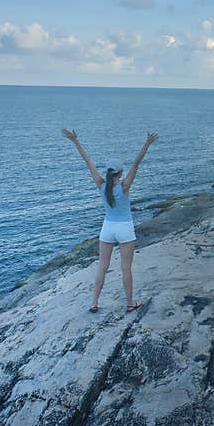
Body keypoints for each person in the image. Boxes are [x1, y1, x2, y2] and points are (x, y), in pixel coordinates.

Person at [62, 129, 159, 313]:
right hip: (124, 228)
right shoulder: (124, 186)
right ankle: (130, 304)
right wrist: (147, 143)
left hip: (107, 228)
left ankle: (94, 303)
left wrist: (75, 141)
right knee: (126, 268)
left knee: (102, 267)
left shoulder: (101, 184)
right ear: (120, 173)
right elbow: (137, 164)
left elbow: (87, 161)